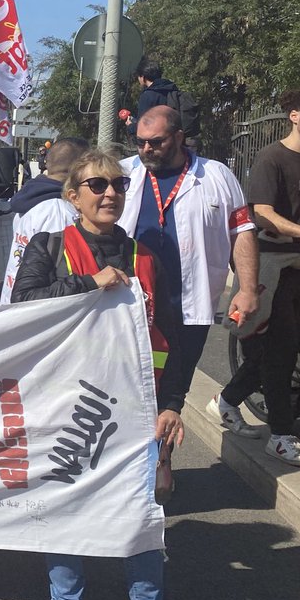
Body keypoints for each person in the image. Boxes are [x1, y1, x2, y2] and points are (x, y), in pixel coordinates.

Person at [10, 148, 188, 600]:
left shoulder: (148, 255)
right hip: (67, 404)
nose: (109, 192)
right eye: (96, 185)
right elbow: (22, 307)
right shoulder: (48, 247)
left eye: (118, 184)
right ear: (73, 196)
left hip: (136, 409)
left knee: (143, 509)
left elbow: (172, 334)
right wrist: (89, 283)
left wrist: (173, 403)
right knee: (66, 505)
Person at [119, 106, 260, 438]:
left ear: (179, 137)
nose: (146, 150)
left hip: (187, 308)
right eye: (139, 142)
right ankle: (132, 466)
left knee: (173, 392)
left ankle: (161, 460)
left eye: (155, 142)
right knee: (127, 388)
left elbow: (242, 231)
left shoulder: (217, 176)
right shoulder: (123, 174)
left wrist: (248, 288)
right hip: (130, 305)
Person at [217, 87, 300, 468]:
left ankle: (228, 399)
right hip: (268, 261)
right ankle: (281, 436)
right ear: (295, 117)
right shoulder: (272, 158)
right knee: (280, 348)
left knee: (285, 345)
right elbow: (262, 213)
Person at [0, 138, 89, 304]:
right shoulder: (58, 212)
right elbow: (61, 269)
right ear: (80, 169)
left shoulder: (31, 199)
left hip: (15, 302)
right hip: (36, 309)